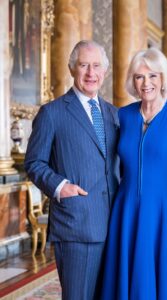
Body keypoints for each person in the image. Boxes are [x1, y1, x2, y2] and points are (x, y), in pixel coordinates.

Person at [101, 47, 167, 300]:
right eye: (139, 77)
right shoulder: (123, 115)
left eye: (152, 76)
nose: (146, 83)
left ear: (163, 79)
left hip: (166, 211)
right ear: (132, 82)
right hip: (127, 212)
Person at [24, 40, 120, 300]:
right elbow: (33, 162)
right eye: (84, 65)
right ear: (71, 68)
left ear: (105, 72)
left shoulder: (114, 114)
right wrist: (59, 187)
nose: (91, 73)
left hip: (116, 225)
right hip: (76, 225)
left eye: (97, 66)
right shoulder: (52, 113)